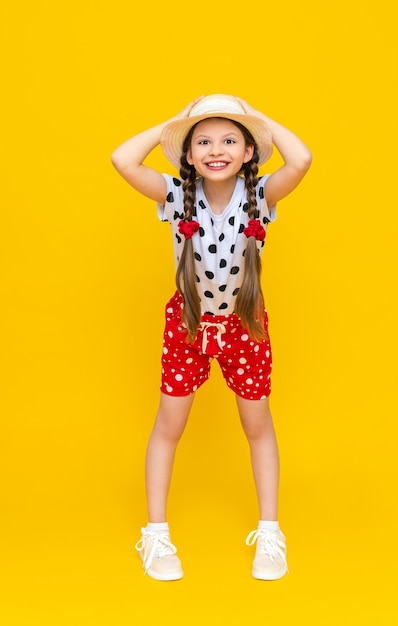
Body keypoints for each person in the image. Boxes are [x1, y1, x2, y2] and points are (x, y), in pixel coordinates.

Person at [111, 94, 312, 581]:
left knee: (257, 426)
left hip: (245, 326)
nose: (214, 149)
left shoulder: (262, 195)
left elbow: (301, 158)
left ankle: (270, 531)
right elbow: (121, 158)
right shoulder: (175, 194)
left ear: (248, 152)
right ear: (187, 153)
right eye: (202, 141)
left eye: (228, 139)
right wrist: (179, 123)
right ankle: (156, 535)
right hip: (188, 326)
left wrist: (256, 121)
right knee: (169, 425)